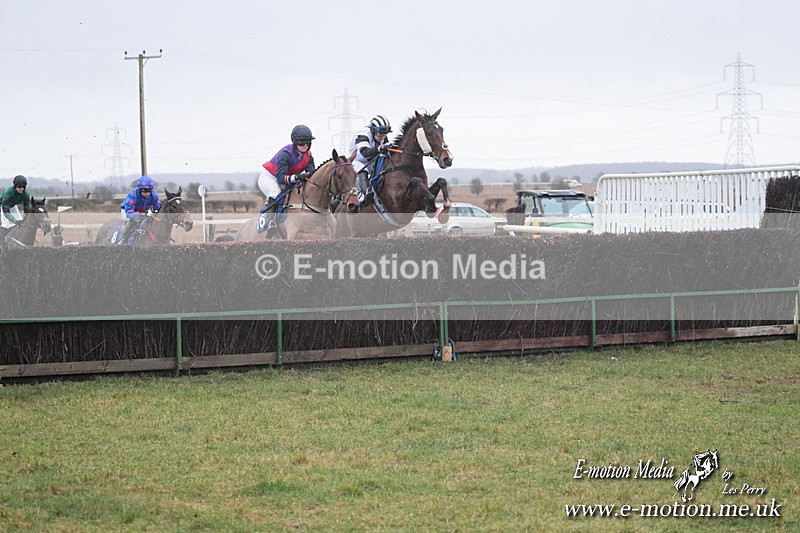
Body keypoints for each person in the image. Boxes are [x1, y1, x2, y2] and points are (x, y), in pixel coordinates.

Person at [258, 125, 316, 211]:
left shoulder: (308, 156)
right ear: (294, 142)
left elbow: (312, 174)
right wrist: (297, 177)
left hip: (287, 179)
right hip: (270, 178)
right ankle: (267, 218)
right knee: (276, 194)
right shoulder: (285, 154)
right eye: (301, 142)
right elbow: (281, 179)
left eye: (308, 142)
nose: (305, 145)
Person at [349, 115, 392, 201]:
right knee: (362, 169)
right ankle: (366, 192)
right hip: (357, 161)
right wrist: (379, 148)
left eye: (385, 134)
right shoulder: (363, 134)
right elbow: (365, 152)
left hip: (372, 161)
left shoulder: (382, 136)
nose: (382, 137)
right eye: (380, 134)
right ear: (373, 130)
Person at [119, 176, 162, 243]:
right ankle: (123, 240)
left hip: (143, 212)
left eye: (150, 190)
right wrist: (140, 215)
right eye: (145, 190)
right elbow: (129, 212)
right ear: (140, 189)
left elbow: (157, 207)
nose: (147, 193)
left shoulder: (154, 196)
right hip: (128, 211)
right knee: (132, 222)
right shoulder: (133, 195)